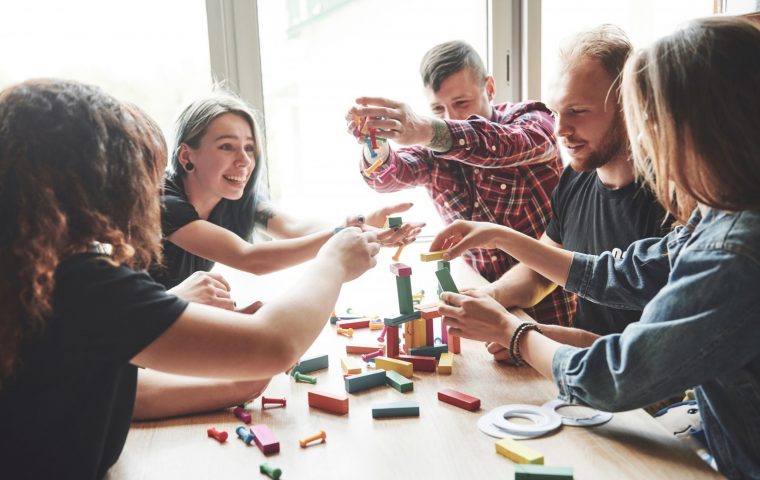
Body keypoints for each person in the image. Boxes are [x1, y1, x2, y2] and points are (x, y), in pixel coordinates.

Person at [430, 17, 760, 478]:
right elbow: (621, 273)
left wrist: (515, 334)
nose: (647, 139)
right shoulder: (722, 214)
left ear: (702, 127)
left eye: (651, 120)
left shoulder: (734, 249)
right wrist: (501, 240)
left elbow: (620, 376)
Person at [0, 79, 380, 479]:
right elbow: (276, 343)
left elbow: (122, 392)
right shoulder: (83, 282)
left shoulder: (36, 268)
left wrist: (238, 381)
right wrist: (334, 260)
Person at [476, 25, 672, 362]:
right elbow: (541, 270)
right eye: (555, 111)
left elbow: (660, 360)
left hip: (641, 396)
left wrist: (537, 340)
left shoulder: (673, 201)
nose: (559, 130)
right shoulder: (575, 178)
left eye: (577, 112)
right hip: (582, 373)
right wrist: (490, 295)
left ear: (630, 106)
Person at [346, 40, 575, 327]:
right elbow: (389, 175)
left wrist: (429, 129)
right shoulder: (433, 152)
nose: (451, 117)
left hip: (555, 311)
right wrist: (375, 146)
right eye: (438, 109)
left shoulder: (532, 120)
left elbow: (503, 145)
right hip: (483, 309)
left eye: (461, 103)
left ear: (489, 88)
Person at [151, 92, 422, 292]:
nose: (244, 161)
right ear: (187, 155)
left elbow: (295, 227)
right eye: (226, 146)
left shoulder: (231, 199)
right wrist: (344, 234)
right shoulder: (165, 202)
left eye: (248, 147)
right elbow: (251, 260)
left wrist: (361, 226)